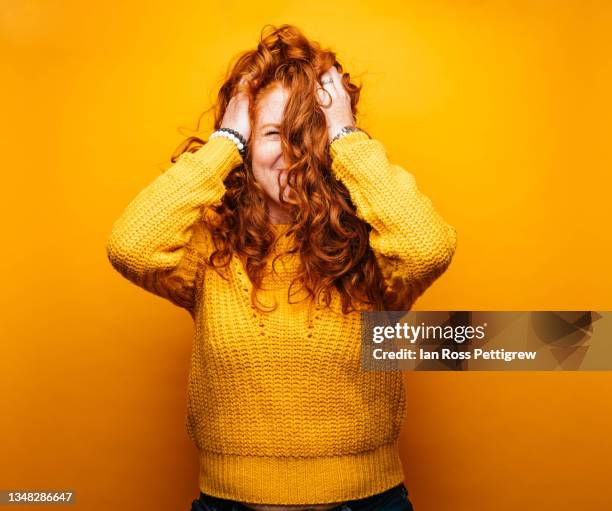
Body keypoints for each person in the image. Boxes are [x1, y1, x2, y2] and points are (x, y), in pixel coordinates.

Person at [106, 24, 457, 511]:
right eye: (272, 133)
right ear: (247, 145)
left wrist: (347, 137)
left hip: (368, 502)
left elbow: (428, 248)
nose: (292, 152)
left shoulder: (373, 245)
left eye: (309, 132)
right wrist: (226, 140)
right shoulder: (210, 250)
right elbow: (131, 247)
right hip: (230, 504)